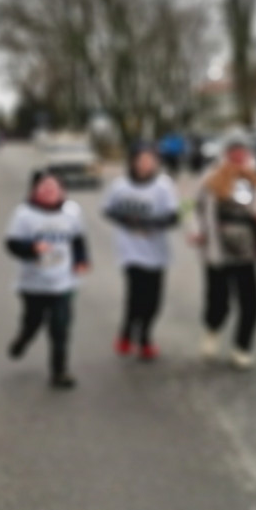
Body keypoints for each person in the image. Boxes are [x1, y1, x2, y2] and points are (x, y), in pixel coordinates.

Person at [190, 134, 256, 370]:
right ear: (224, 153)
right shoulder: (210, 176)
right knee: (218, 299)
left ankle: (242, 347)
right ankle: (212, 329)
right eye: (233, 151)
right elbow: (192, 206)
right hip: (217, 244)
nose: (238, 156)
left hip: (245, 247)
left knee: (251, 301)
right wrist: (196, 229)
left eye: (242, 151)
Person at [4, 171, 89, 389]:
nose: (49, 191)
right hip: (33, 283)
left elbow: (78, 239)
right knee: (33, 322)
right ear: (34, 191)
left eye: (54, 187)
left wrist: (81, 260)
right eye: (44, 187)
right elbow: (11, 245)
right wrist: (32, 248)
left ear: (62, 191)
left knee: (60, 328)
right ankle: (22, 340)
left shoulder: (72, 212)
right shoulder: (24, 214)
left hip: (63, 282)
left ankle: (59, 372)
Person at [102, 143, 180, 360]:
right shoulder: (120, 185)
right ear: (133, 162)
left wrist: (153, 223)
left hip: (157, 249)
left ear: (156, 163)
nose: (145, 164)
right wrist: (127, 220)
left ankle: (139, 332)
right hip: (130, 249)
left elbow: (174, 216)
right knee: (136, 294)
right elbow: (108, 210)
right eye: (141, 160)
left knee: (154, 300)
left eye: (150, 160)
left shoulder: (164, 186)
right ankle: (135, 337)